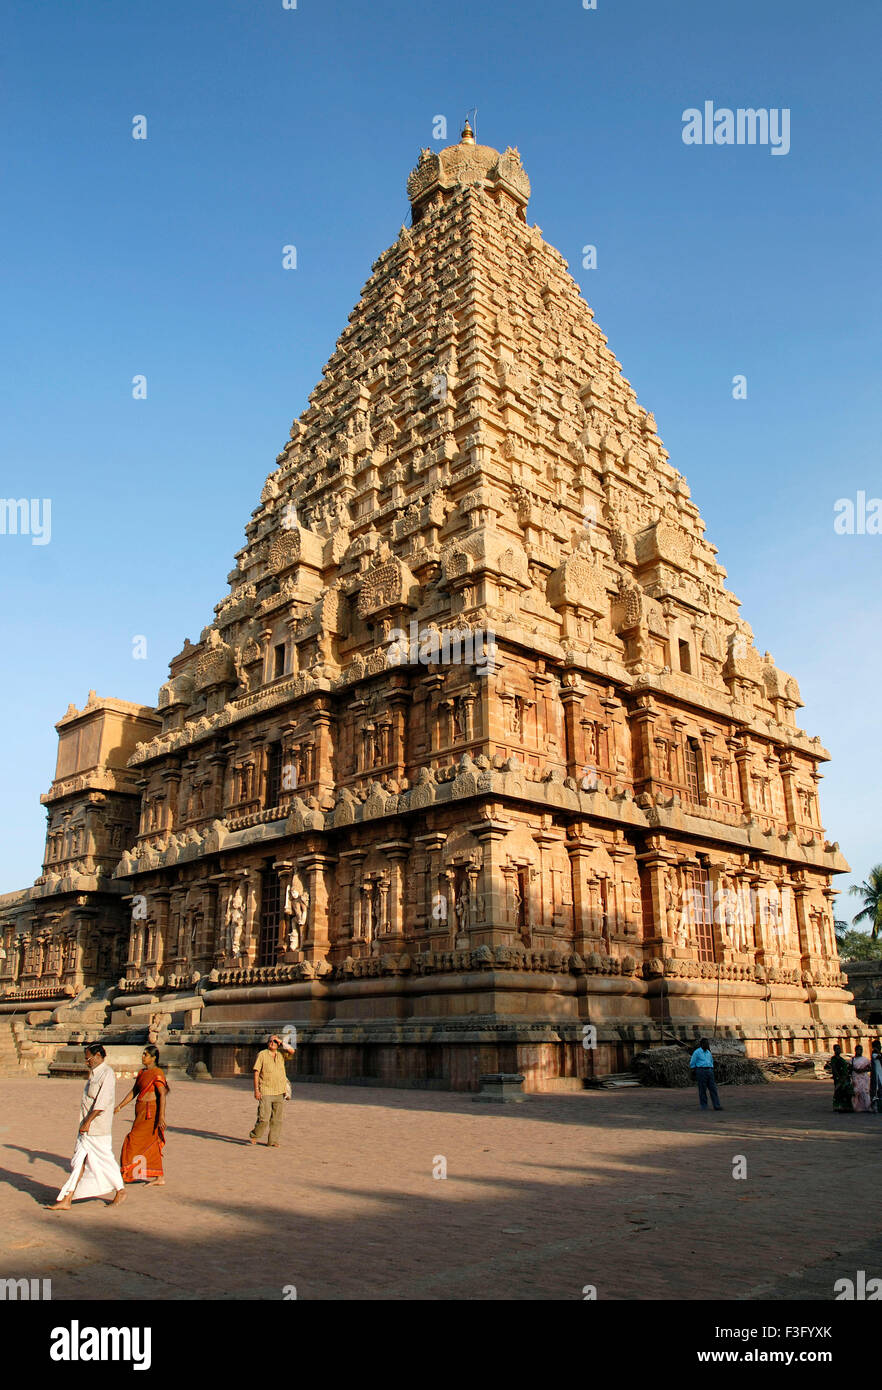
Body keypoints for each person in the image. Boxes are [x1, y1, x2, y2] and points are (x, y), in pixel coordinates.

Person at [47, 1043, 126, 1210]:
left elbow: (101, 1103)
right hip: (85, 1127)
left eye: (88, 1058)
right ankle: (67, 1199)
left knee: (105, 1160)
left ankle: (120, 1190)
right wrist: (84, 1123)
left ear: (98, 1056)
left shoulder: (107, 1074)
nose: (86, 1061)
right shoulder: (94, 1074)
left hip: (97, 1128)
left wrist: (88, 1122)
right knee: (78, 1162)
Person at [116, 1044, 170, 1185]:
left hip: (150, 1113)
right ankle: (159, 1177)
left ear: (153, 1058)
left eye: (146, 1054)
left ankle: (126, 1173)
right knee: (150, 1143)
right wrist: (120, 1106)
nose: (143, 1057)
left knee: (131, 1140)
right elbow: (134, 1092)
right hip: (140, 1112)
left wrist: (161, 1116)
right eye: (143, 1054)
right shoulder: (142, 1073)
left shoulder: (158, 1073)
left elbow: (162, 1095)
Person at [249, 1033, 295, 1147]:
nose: (272, 1043)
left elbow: (292, 1051)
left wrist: (281, 1042)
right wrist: (256, 1090)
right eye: (270, 1041)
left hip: (279, 1091)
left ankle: (273, 1141)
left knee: (277, 1119)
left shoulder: (280, 1055)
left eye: (274, 1042)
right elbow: (256, 1073)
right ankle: (255, 1135)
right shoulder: (262, 1055)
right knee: (264, 1118)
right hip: (265, 1090)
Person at [688, 1037, 723, 1111]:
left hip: (709, 1071)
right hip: (701, 1071)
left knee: (713, 1089)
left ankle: (716, 1105)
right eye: (706, 1043)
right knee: (702, 1089)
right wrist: (694, 1071)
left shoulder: (708, 1052)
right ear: (702, 1044)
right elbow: (692, 1063)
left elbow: (711, 1062)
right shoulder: (697, 1052)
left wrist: (711, 1069)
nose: (707, 1045)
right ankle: (704, 1106)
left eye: (708, 1044)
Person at [830, 1043, 854, 1112]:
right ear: (834, 1050)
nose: (839, 1050)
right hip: (839, 1078)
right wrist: (838, 1077)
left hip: (845, 1077)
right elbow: (834, 1069)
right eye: (837, 1049)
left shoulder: (842, 1059)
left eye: (839, 1049)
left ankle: (846, 1106)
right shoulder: (833, 1059)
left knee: (846, 1092)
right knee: (838, 1092)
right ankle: (838, 1106)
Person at [851, 1043, 872, 1112]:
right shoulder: (853, 1059)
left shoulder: (865, 1060)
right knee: (856, 1092)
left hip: (863, 1077)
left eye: (861, 1050)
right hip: (856, 1077)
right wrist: (856, 1070)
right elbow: (851, 1068)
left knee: (865, 1092)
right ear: (856, 1050)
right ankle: (857, 1107)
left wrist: (863, 1070)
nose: (860, 1051)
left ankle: (867, 1106)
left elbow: (869, 1068)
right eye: (859, 1050)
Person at [872, 1041, 882, 1112]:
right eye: (879, 1045)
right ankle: (877, 1106)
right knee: (877, 1090)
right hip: (877, 1074)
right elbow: (879, 1056)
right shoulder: (874, 1053)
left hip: (880, 1073)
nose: (880, 1046)